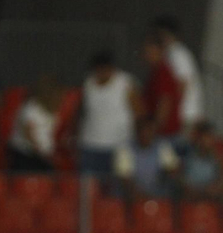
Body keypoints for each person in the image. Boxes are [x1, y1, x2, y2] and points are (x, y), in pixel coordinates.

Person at [75, 49, 137, 182]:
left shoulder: (125, 83)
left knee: (114, 189)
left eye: (105, 69)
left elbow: (139, 111)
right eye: (98, 70)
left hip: (118, 145)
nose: (101, 73)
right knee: (89, 189)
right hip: (90, 146)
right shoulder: (88, 83)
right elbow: (81, 112)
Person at [151, 13, 202, 134]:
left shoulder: (177, 53)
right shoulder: (172, 52)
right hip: (182, 113)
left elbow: (183, 83)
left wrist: (172, 110)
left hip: (185, 114)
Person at [113, 115, 178, 197]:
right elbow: (125, 180)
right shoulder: (125, 149)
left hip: (157, 196)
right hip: (131, 198)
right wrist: (144, 198)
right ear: (136, 131)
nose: (145, 134)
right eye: (142, 130)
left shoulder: (162, 146)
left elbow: (173, 170)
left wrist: (171, 174)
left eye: (149, 130)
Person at [7, 74, 59, 172]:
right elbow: (28, 132)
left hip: (43, 155)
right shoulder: (30, 107)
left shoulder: (50, 110)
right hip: (27, 155)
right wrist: (39, 150)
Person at [140, 32, 183, 147]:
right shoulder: (155, 72)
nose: (147, 55)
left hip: (164, 134)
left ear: (160, 51)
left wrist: (153, 129)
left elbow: (165, 102)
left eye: (150, 52)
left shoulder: (163, 73)